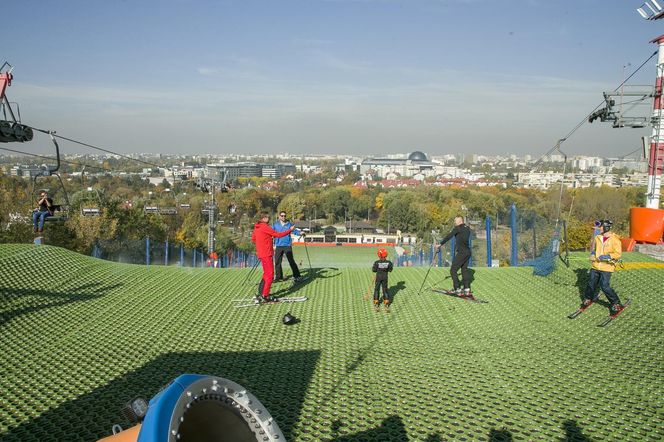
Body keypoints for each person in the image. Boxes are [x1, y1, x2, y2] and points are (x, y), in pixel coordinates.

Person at [581, 219, 624, 315]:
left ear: (606, 227)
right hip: (596, 266)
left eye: (600, 227)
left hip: (607, 267)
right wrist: (592, 255)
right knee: (591, 283)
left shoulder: (615, 239)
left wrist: (606, 256)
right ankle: (588, 298)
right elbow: (595, 249)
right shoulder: (598, 237)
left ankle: (616, 302)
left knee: (604, 286)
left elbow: (617, 254)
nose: (598, 229)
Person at [251, 211, 295, 304]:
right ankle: (265, 295)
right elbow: (278, 235)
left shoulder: (257, 227)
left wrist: (264, 241)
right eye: (267, 218)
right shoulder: (265, 227)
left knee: (266, 273)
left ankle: (261, 292)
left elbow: (254, 239)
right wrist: (290, 230)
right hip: (267, 253)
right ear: (264, 218)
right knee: (270, 275)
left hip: (261, 253)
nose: (269, 219)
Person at [437, 216, 472, 296]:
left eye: (455, 221)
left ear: (460, 221)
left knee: (453, 270)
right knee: (464, 270)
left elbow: (449, 236)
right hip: (468, 252)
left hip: (462, 253)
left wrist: (440, 244)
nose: (455, 223)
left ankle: (457, 289)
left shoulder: (458, 228)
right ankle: (467, 289)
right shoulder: (467, 228)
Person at [272, 211, 304, 282]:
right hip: (278, 245)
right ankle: (279, 277)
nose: (283, 217)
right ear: (279, 216)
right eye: (282, 216)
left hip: (287, 245)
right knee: (277, 262)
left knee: (291, 261)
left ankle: (297, 276)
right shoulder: (275, 225)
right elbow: (271, 232)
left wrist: (300, 233)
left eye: (284, 216)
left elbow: (294, 231)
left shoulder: (289, 224)